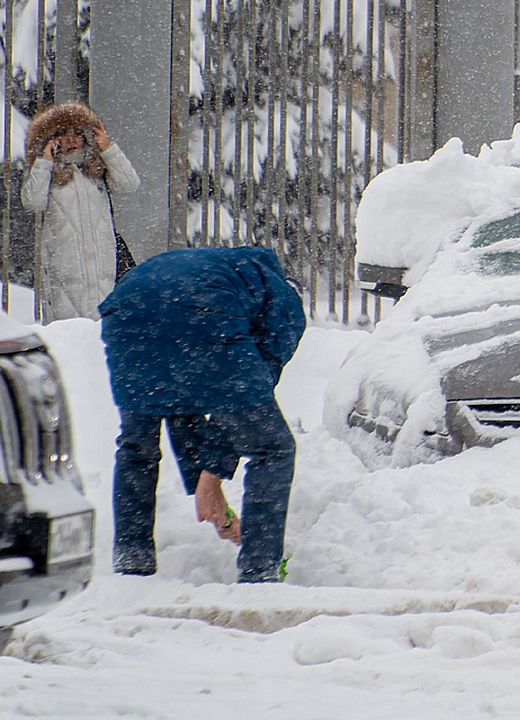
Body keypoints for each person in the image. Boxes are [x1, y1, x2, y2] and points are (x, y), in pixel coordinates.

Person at [99, 246, 306, 583]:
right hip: (202, 314)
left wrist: (208, 480)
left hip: (127, 316)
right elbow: (244, 399)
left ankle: (131, 560)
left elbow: (186, 403)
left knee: (138, 447)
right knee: (273, 448)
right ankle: (260, 569)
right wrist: (212, 474)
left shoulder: (226, 271)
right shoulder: (282, 303)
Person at [21, 101, 140, 321]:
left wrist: (108, 148)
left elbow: (130, 184)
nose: (71, 140)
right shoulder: (48, 173)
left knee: (100, 335)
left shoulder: (96, 170)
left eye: (77, 132)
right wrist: (45, 161)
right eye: (63, 134)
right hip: (65, 272)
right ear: (51, 138)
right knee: (70, 336)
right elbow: (33, 202)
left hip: (102, 270)